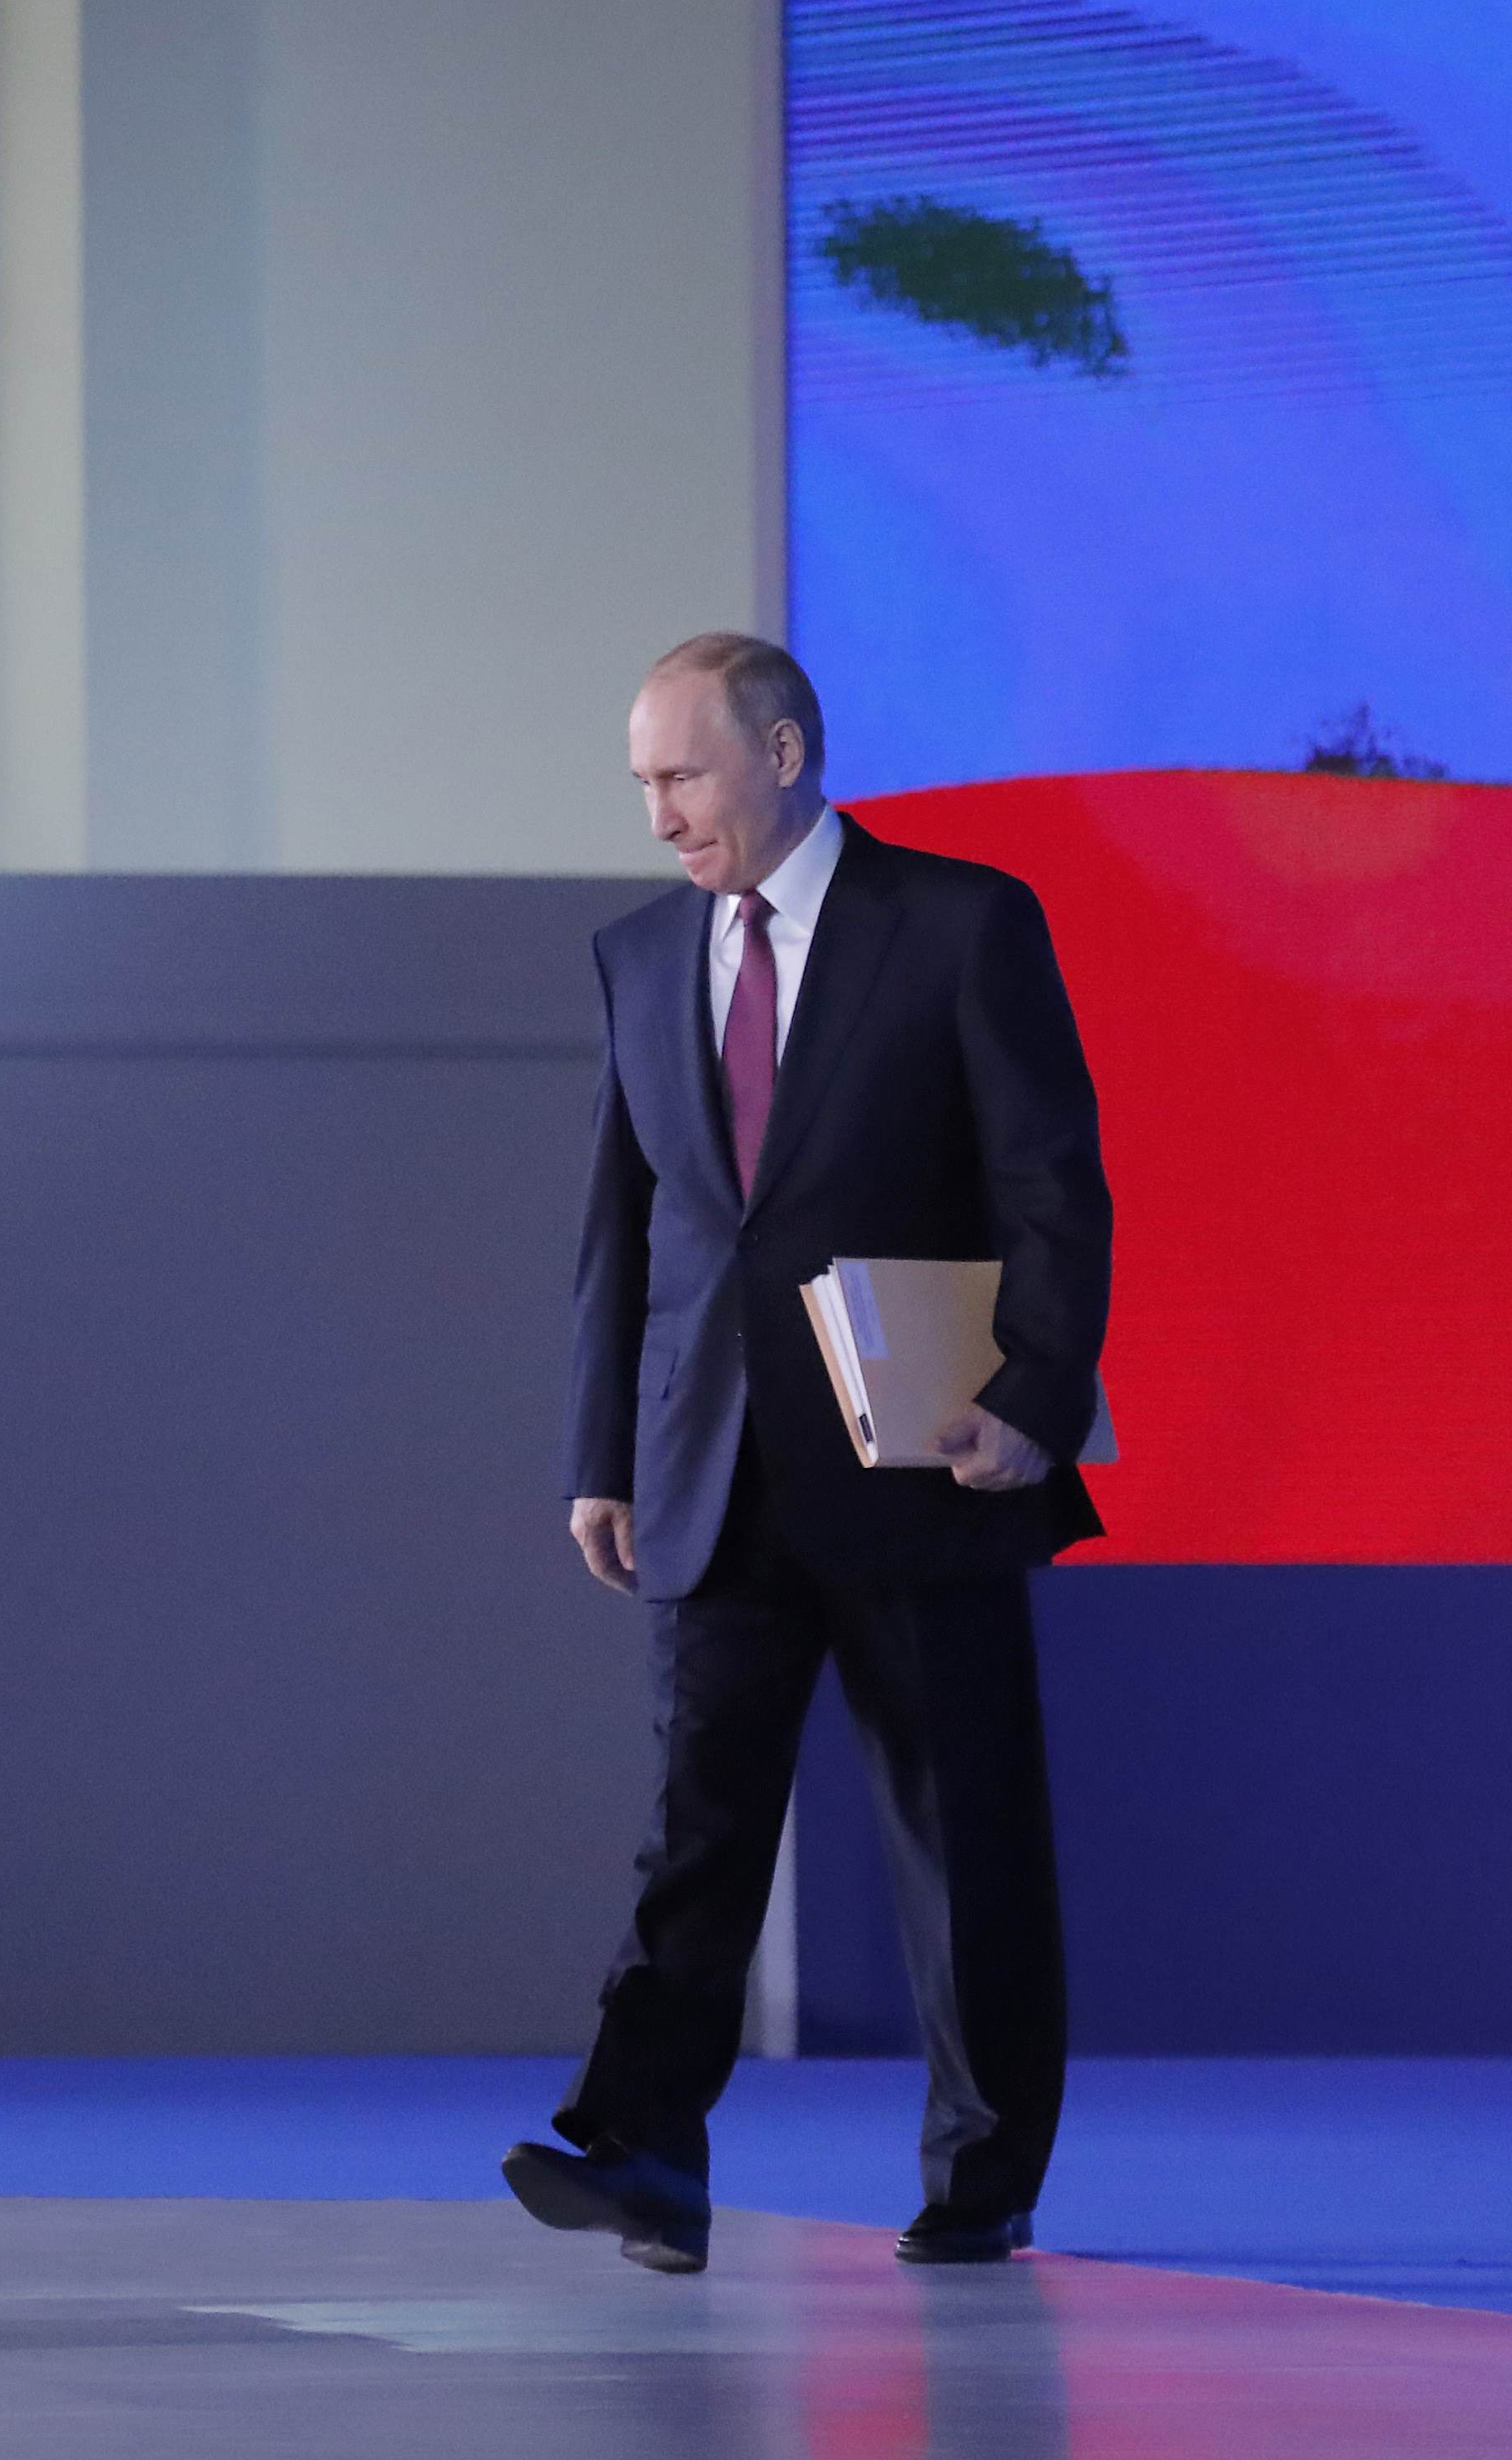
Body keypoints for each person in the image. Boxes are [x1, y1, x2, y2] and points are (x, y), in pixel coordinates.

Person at [500, 633, 1112, 2276]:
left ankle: (982, 2174)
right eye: (641, 782)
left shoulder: (962, 922)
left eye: (681, 775)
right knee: (693, 1831)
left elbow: (1052, 1182)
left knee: (963, 1841)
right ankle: (643, 2150)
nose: (657, 815)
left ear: (782, 753)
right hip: (710, 1469)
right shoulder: (638, 957)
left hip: (929, 1462)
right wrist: (600, 1453)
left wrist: (1036, 1395)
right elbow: (622, 1225)